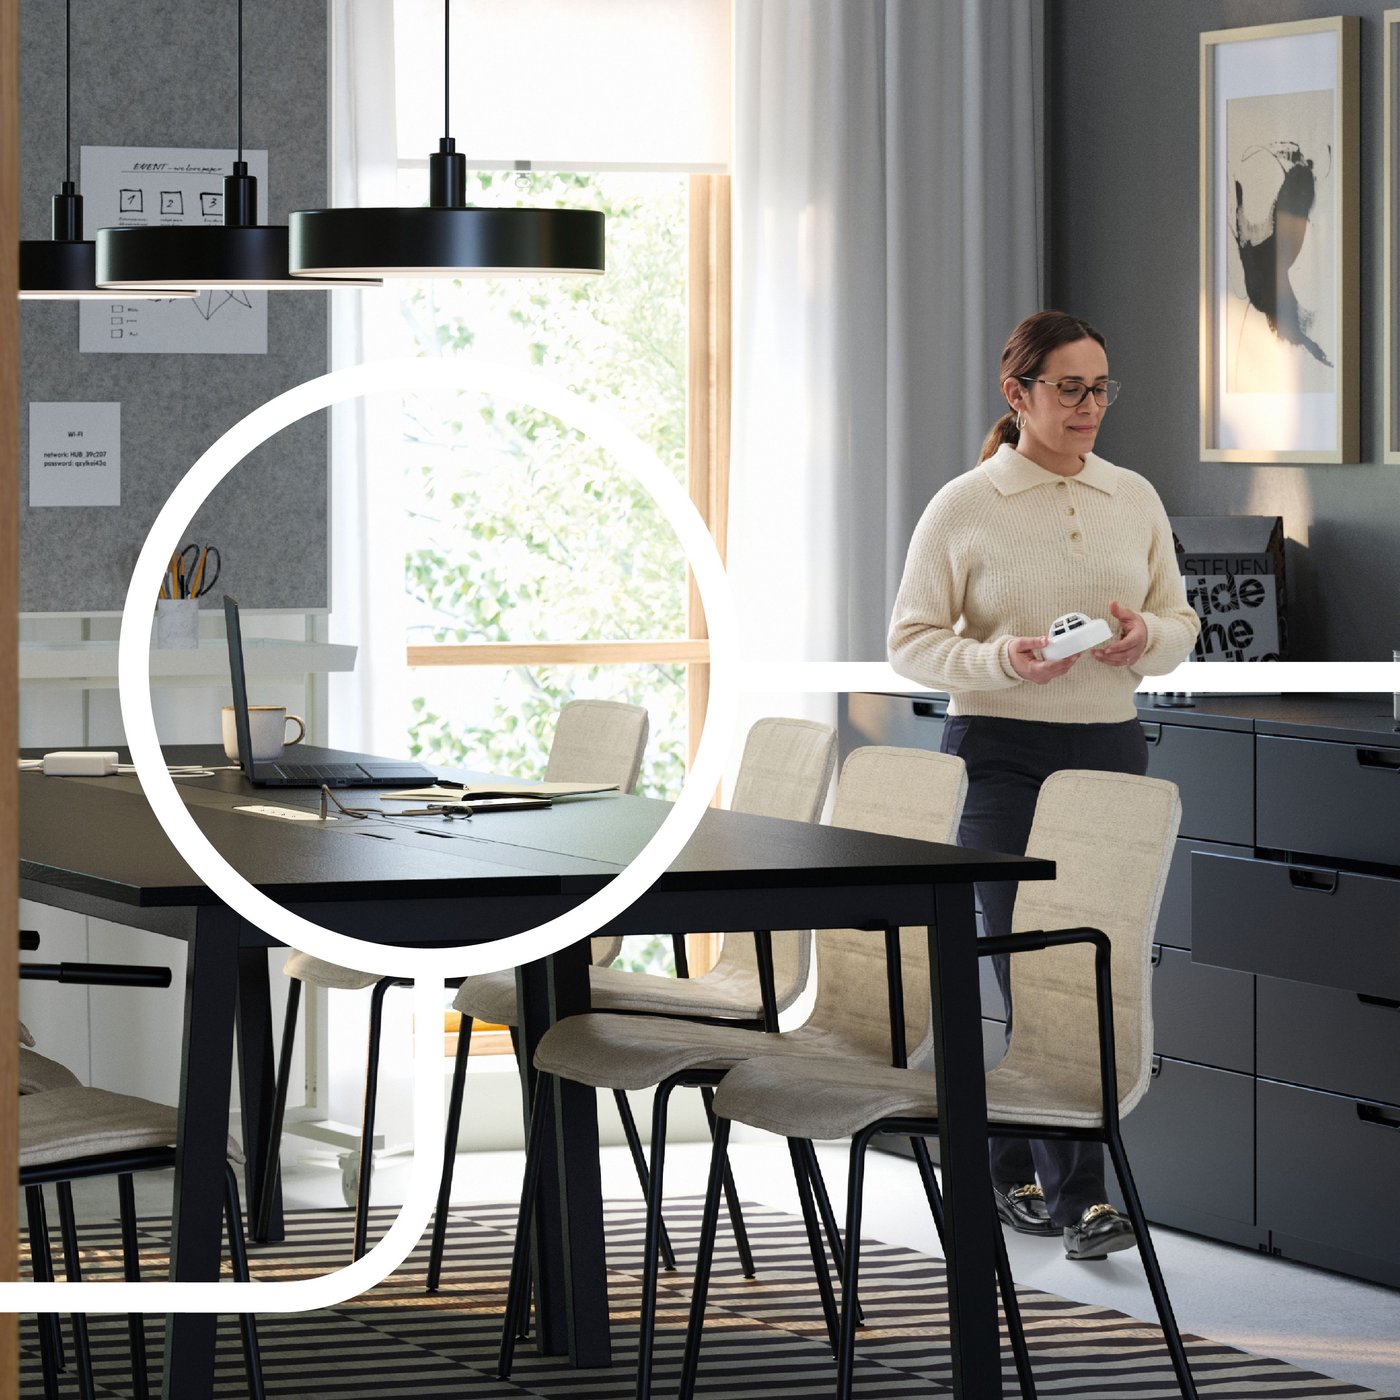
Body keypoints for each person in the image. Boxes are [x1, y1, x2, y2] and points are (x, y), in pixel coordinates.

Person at [887, 310, 1200, 1261]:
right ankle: (1084, 1200)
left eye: (1101, 386)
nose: (1090, 405)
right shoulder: (964, 505)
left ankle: (1013, 1166)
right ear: (1017, 395)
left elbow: (1181, 623)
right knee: (1031, 969)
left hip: (1111, 751)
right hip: (999, 757)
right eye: (1070, 387)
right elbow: (910, 641)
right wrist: (1004, 660)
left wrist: (1146, 639)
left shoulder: (1133, 497)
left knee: (1091, 969)